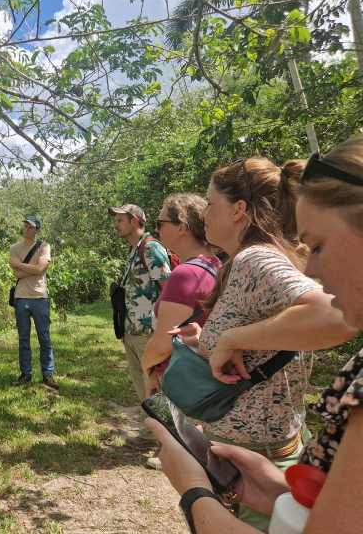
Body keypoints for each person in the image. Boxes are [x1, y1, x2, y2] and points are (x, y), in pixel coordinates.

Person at [148, 137, 363, 534]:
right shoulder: (244, 261)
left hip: (260, 447)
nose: (312, 268)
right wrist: (212, 337)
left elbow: (332, 313)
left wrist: (193, 490)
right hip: (261, 460)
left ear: (239, 210)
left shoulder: (255, 258)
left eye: (210, 203)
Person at [142, 193, 221, 397]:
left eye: (161, 223)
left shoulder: (185, 274)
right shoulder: (216, 266)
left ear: (182, 227)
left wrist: (146, 367)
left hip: (182, 383)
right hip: (207, 381)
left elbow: (163, 344)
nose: (157, 230)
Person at [109, 204, 171, 405]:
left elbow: (169, 289)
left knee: (157, 391)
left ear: (135, 221)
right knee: (143, 391)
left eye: (120, 220)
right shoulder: (134, 249)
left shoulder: (151, 248)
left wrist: (162, 332)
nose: (116, 225)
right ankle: (150, 424)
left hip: (149, 334)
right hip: (131, 331)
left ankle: (165, 426)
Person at [9, 216, 57, 389]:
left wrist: (22, 266)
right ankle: (25, 374)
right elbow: (17, 274)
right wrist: (34, 269)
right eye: (25, 226)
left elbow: (40, 268)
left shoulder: (44, 247)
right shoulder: (14, 248)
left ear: (37, 230)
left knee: (44, 337)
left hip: (40, 297)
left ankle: (48, 374)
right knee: (23, 339)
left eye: (31, 227)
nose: (27, 229)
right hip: (21, 297)